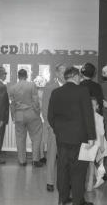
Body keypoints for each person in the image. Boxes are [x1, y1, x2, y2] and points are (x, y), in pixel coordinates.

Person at [48, 67, 96, 205]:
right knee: (79, 170)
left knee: (63, 169)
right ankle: (77, 200)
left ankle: (62, 199)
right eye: (79, 77)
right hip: (80, 139)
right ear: (75, 77)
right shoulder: (83, 91)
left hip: (62, 138)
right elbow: (88, 115)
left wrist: (58, 130)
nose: (80, 79)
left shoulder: (56, 92)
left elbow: (50, 116)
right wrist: (91, 137)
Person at [10, 69, 43, 167]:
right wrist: (37, 112)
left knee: (20, 138)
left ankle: (22, 161)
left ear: (18, 76)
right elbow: (36, 100)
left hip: (19, 114)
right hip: (31, 113)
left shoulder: (12, 88)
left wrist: (13, 115)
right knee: (36, 136)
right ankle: (35, 160)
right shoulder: (32, 85)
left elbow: (12, 104)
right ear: (26, 76)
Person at [42, 63, 66, 192]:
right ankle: (50, 181)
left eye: (66, 72)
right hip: (54, 128)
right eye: (62, 72)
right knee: (52, 155)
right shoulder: (50, 87)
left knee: (65, 156)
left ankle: (64, 181)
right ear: (57, 73)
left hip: (67, 128)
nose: (64, 75)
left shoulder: (70, 86)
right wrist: (50, 126)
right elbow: (45, 109)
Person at [86, 98, 107, 191]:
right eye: (89, 105)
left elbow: (102, 133)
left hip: (98, 143)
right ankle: (100, 177)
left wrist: (102, 145)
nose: (91, 107)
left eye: (93, 105)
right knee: (92, 163)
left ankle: (91, 185)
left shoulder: (99, 117)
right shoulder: (86, 116)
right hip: (90, 143)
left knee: (93, 163)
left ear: (97, 107)